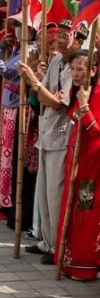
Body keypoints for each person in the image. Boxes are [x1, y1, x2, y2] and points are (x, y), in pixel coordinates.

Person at [20, 24, 72, 265]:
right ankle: (46, 240)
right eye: (58, 35)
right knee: (43, 194)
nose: (59, 40)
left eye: (65, 35)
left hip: (62, 136)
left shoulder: (75, 67)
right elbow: (45, 95)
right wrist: (36, 80)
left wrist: (35, 82)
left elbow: (57, 102)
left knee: (55, 194)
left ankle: (56, 245)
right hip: (46, 130)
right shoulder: (56, 61)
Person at [0, 21, 38, 232]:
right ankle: (4, 203)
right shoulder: (18, 47)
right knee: (5, 160)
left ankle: (12, 207)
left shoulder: (30, 50)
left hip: (19, 108)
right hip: (8, 105)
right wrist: (0, 48)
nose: (17, 29)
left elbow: (8, 72)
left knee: (14, 160)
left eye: (21, 25)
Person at [56, 49, 100, 281]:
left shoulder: (98, 94)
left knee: (85, 213)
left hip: (90, 169)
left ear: (93, 70)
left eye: (81, 68)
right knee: (73, 212)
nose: (75, 73)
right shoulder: (80, 91)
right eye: (73, 68)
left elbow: (98, 136)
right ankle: (68, 260)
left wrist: (85, 108)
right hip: (76, 162)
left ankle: (83, 265)